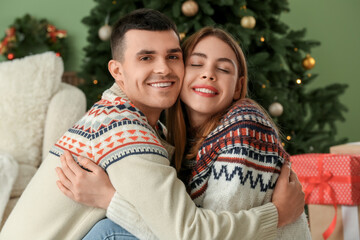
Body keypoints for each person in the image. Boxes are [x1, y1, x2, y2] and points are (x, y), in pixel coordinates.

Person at [0, 9, 304, 240]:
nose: (163, 69)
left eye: (173, 56)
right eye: (146, 58)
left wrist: (109, 199)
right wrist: (276, 214)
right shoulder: (125, 132)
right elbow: (190, 233)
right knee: (112, 231)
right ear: (117, 71)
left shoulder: (134, 119)